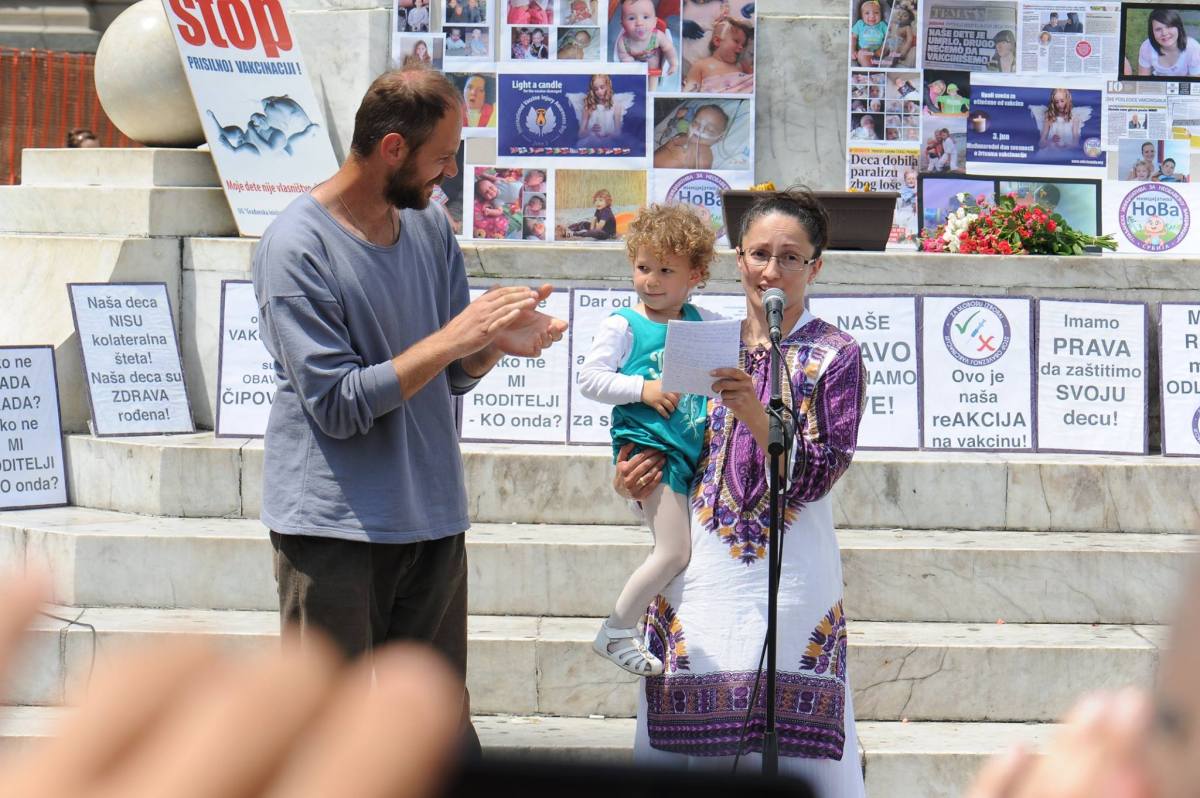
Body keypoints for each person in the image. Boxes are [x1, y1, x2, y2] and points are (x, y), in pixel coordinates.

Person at [252, 68, 566, 754]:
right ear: (393, 148)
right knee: (326, 742)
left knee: (437, 739)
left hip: (431, 521)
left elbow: (448, 374)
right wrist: (455, 338)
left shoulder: (427, 225)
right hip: (333, 531)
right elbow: (337, 405)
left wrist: (490, 346)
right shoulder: (295, 247)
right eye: (443, 156)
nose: (450, 173)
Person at [614, 187, 867, 796]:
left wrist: (755, 412)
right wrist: (633, 478)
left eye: (790, 257)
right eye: (759, 254)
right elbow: (668, 442)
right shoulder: (699, 339)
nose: (771, 270)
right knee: (690, 743)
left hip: (793, 578)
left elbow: (817, 474)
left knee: (795, 754)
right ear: (738, 260)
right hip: (702, 572)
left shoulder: (835, 354)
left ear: (815, 268)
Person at [579, 204, 719, 676]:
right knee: (674, 550)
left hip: (690, 450)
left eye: (665, 270)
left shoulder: (705, 322)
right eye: (643, 268)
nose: (651, 281)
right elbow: (590, 379)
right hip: (651, 450)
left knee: (683, 551)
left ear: (695, 275)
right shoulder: (623, 324)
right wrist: (644, 389)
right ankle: (617, 629)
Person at [613, 0, 679, 91]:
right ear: (623, 24)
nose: (639, 23)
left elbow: (669, 48)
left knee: (653, 71)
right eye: (631, 18)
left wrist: (673, 63)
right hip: (635, 61)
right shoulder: (623, 42)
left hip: (652, 57)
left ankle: (651, 91)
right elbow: (623, 55)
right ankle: (637, 88)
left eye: (645, 17)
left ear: (654, 22)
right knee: (632, 77)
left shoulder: (657, 36)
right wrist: (628, 61)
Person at [683, 17, 753, 93]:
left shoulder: (741, 64)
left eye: (743, 45)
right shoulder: (701, 65)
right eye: (736, 41)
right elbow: (691, 91)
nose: (741, 47)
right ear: (717, 41)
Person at [653, 103, 729, 169]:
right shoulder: (683, 134)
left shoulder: (702, 151)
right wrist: (686, 112)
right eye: (696, 122)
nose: (700, 128)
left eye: (709, 129)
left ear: (719, 138)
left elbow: (701, 176)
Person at [1138, 8, 1200, 77]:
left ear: (1178, 27)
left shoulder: (1193, 49)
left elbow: (1195, 81)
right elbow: (1142, 78)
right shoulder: (1147, 47)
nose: (1164, 33)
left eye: (1169, 27)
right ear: (1152, 32)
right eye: (1158, 29)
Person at [1035, 87, 1086, 152]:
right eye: (1056, 102)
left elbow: (1076, 144)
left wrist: (1065, 147)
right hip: (1051, 152)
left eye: (1062, 101)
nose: (1059, 105)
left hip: (1067, 151)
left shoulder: (1074, 118)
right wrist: (1050, 141)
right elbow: (1040, 144)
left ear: (1067, 100)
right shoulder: (1049, 117)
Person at [850, 0, 887, 66]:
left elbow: (888, 37)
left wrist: (882, 48)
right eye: (867, 13)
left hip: (879, 53)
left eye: (876, 13)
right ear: (862, 16)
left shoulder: (882, 25)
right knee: (862, 53)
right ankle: (869, 69)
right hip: (865, 53)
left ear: (881, 14)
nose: (872, 16)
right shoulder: (860, 24)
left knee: (889, 46)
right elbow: (853, 38)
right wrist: (852, 50)